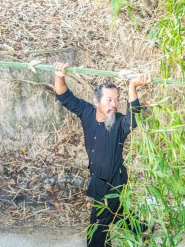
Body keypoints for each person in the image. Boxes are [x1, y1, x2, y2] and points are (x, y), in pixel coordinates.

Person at [54, 62, 151, 247]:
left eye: (117, 99)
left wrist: (132, 87)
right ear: (96, 101)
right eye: (109, 100)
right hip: (98, 179)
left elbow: (134, 119)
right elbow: (64, 95)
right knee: (117, 212)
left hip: (114, 182)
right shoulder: (87, 112)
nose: (114, 104)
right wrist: (59, 76)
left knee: (97, 228)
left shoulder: (119, 122)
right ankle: (143, 229)